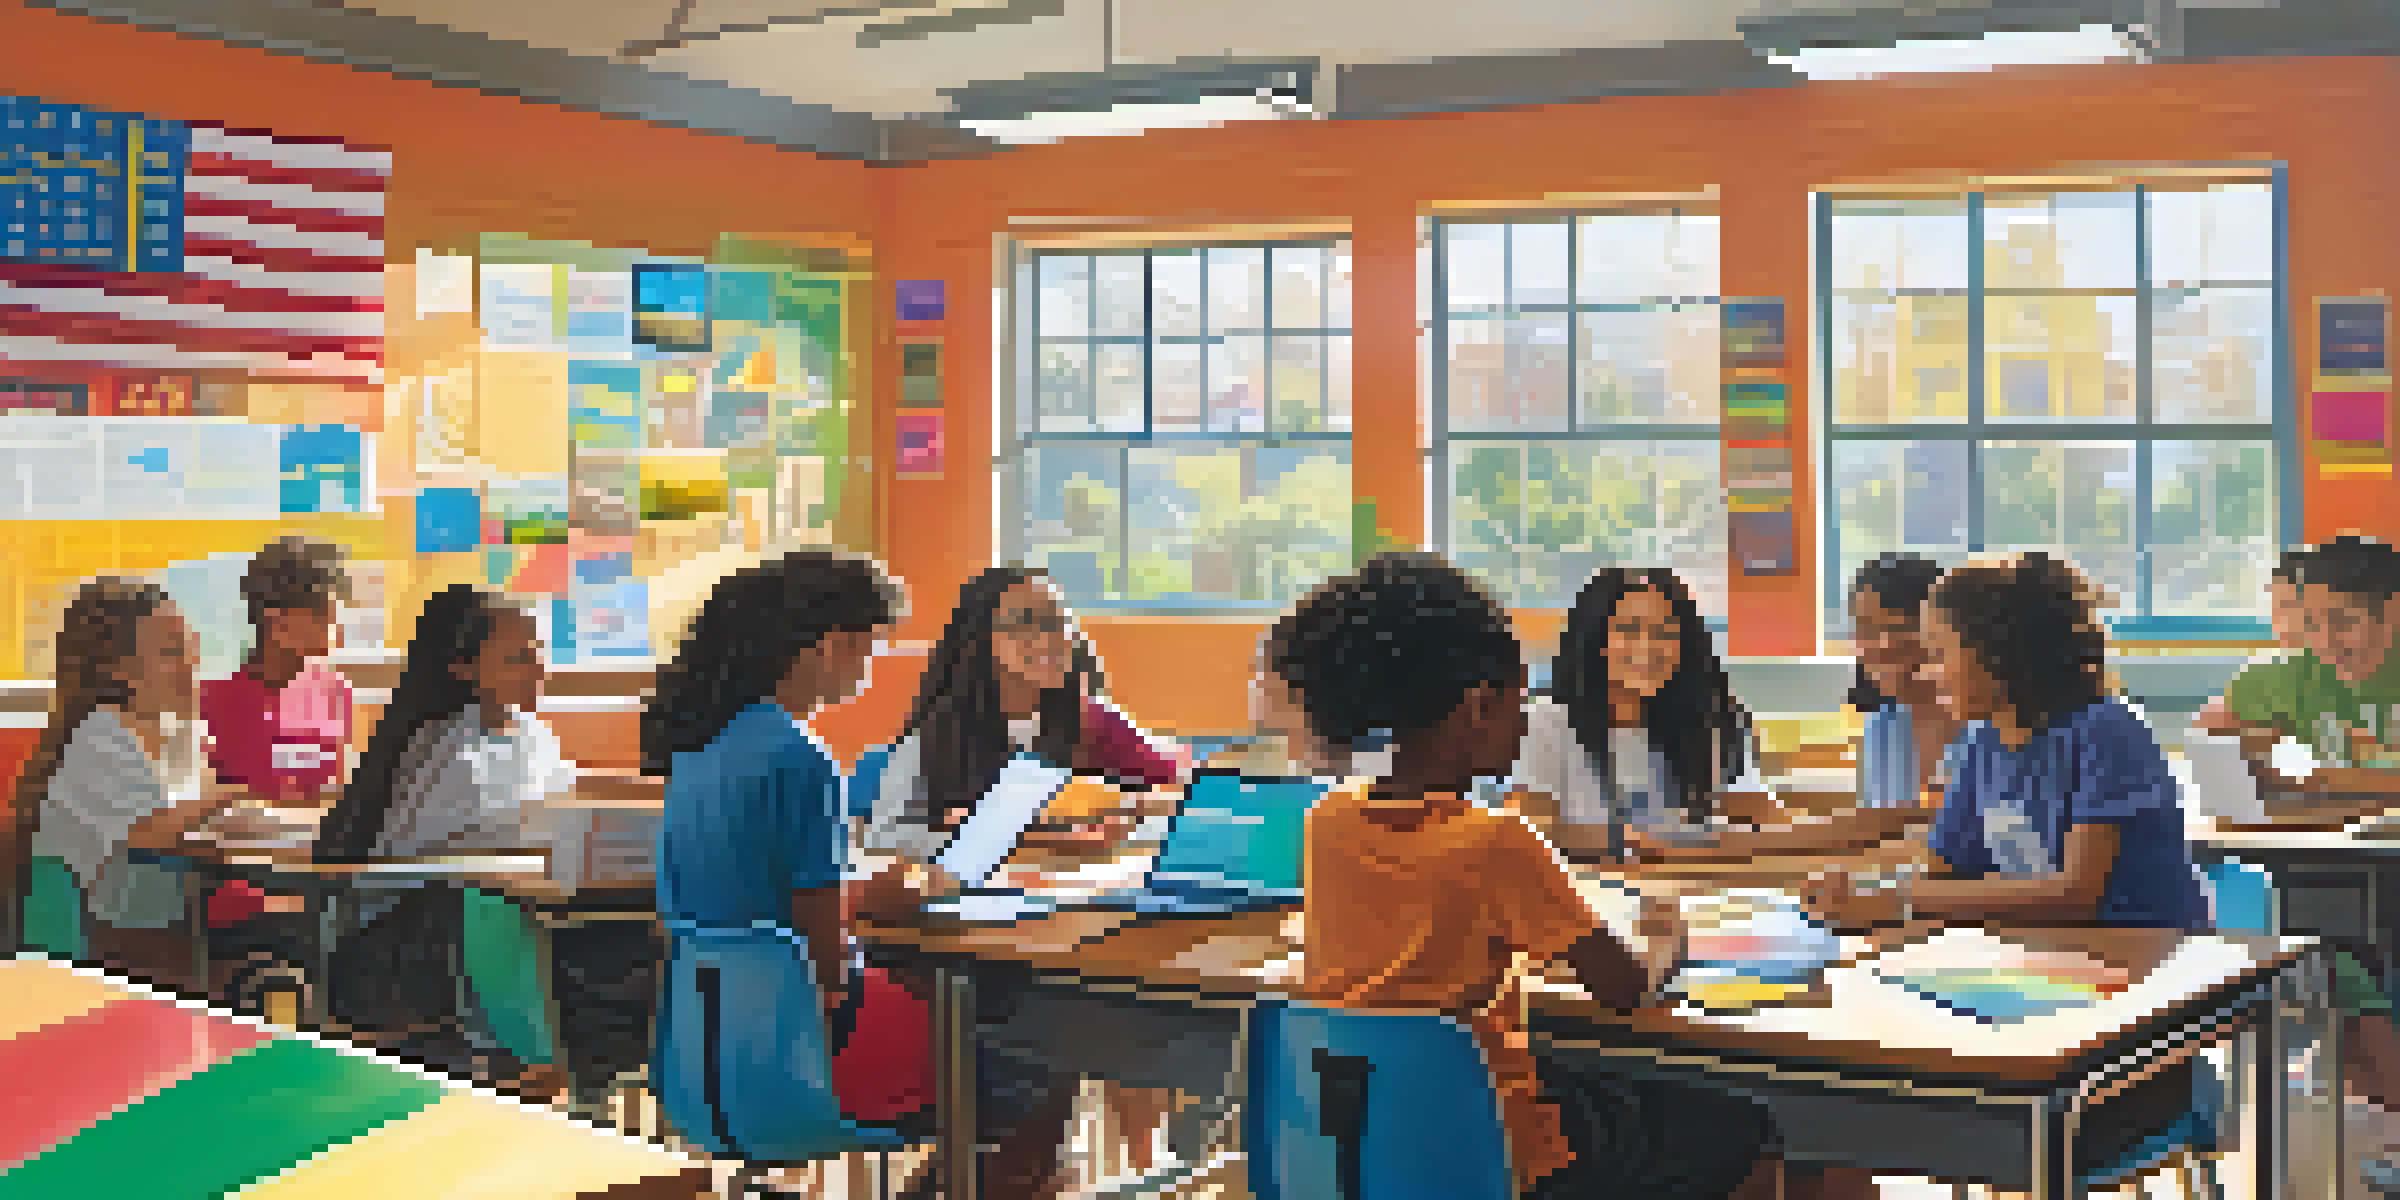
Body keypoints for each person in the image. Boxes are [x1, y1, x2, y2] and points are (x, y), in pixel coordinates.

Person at [1284, 552, 1846, 1200]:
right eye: (1519, 702)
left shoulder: (1327, 822)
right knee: (1752, 1129)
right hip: (1498, 1143)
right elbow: (1623, 987)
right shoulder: (1496, 840)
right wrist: (1666, 937)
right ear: (1479, 708)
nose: (1528, 721)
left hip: (1363, 1134)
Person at [862, 564, 1185, 1200]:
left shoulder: (1093, 722)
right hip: (963, 940)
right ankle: (997, 1169)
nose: (1050, 637)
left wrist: (1123, 808)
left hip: (1071, 931)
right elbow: (882, 839)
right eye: (1024, 623)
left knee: (1127, 1012)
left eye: (1058, 621)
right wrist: (979, 836)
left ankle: (1126, 1172)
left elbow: (1175, 795)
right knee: (1035, 1037)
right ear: (979, 641)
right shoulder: (939, 734)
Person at [644, 552, 910, 1147]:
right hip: (797, 1054)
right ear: (830, 646)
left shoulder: (697, 747)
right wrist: (879, 900)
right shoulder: (801, 757)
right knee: (1004, 1050)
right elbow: (824, 948)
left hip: (710, 1059)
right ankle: (966, 1178)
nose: (872, 666)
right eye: (871, 647)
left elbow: (738, 894)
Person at [1803, 552, 2209, 932]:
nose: (1927, 672)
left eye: (1939, 654)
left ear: (1996, 654)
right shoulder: (1984, 741)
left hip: (2141, 955)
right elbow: (1943, 868)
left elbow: (2075, 895)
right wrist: (1856, 889)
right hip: (2045, 951)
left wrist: (1897, 900)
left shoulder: (2106, 731)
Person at [2187, 537, 2400, 1186]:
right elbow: (2212, 745)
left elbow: (2320, 786)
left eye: (2345, 621)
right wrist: (2251, 752)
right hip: (2330, 874)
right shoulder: (2285, 675)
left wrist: (2329, 783)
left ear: (2391, 612)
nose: (2326, 640)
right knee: (2335, 968)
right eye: (2312, 622)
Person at [316, 584, 572, 1098]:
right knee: (495, 902)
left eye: (538, 652)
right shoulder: (443, 745)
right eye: (517, 659)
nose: (537, 668)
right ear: (464, 669)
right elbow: (440, 852)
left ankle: (556, 1056)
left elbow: (561, 814)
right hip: (411, 930)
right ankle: (531, 1055)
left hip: (487, 910)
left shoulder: (535, 735)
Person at [9, 578, 235, 992]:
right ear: (118, 668)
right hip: (96, 951)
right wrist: (229, 795)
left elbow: (195, 821)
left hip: (158, 933)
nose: (190, 663)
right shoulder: (98, 737)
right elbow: (148, 832)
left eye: (190, 646)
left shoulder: (177, 734)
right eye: (170, 652)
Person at [198, 536, 352, 932]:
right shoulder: (212, 703)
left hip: (321, 879)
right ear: (276, 621)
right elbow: (209, 814)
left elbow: (335, 793)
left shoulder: (334, 693)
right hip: (246, 891)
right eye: (321, 614)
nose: (335, 624)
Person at [1848, 552, 1963, 810]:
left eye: (1898, 629)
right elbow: (1880, 821)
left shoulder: (1987, 727)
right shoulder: (1882, 727)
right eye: (1867, 629)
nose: (1882, 646)